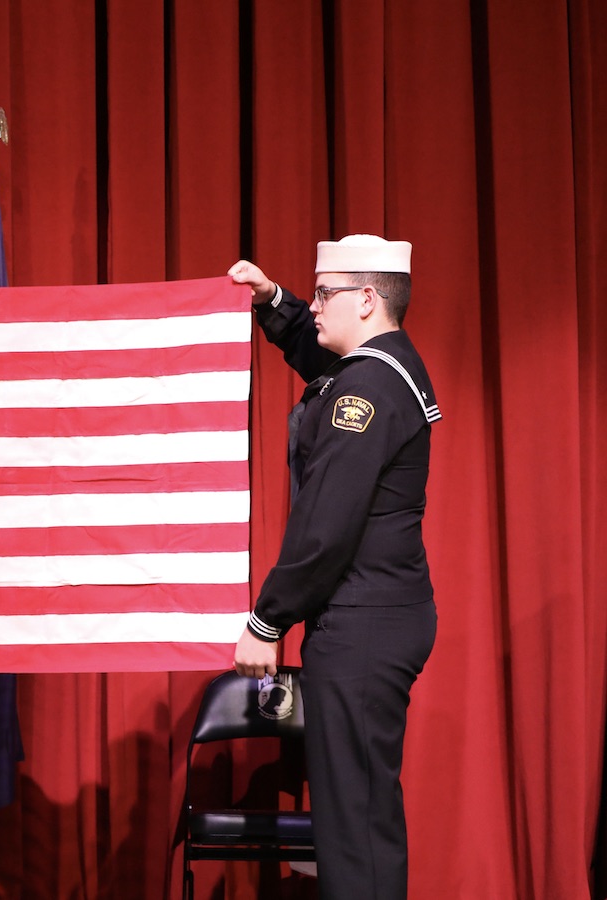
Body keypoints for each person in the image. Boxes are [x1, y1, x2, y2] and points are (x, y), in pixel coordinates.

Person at [229, 235, 440, 900]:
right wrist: (275, 303)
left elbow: (325, 525)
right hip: (377, 615)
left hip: (363, 623)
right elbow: (320, 360)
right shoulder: (379, 366)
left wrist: (266, 622)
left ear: (369, 300)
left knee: (353, 826)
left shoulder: (369, 388)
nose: (315, 306)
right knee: (361, 813)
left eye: (325, 294)